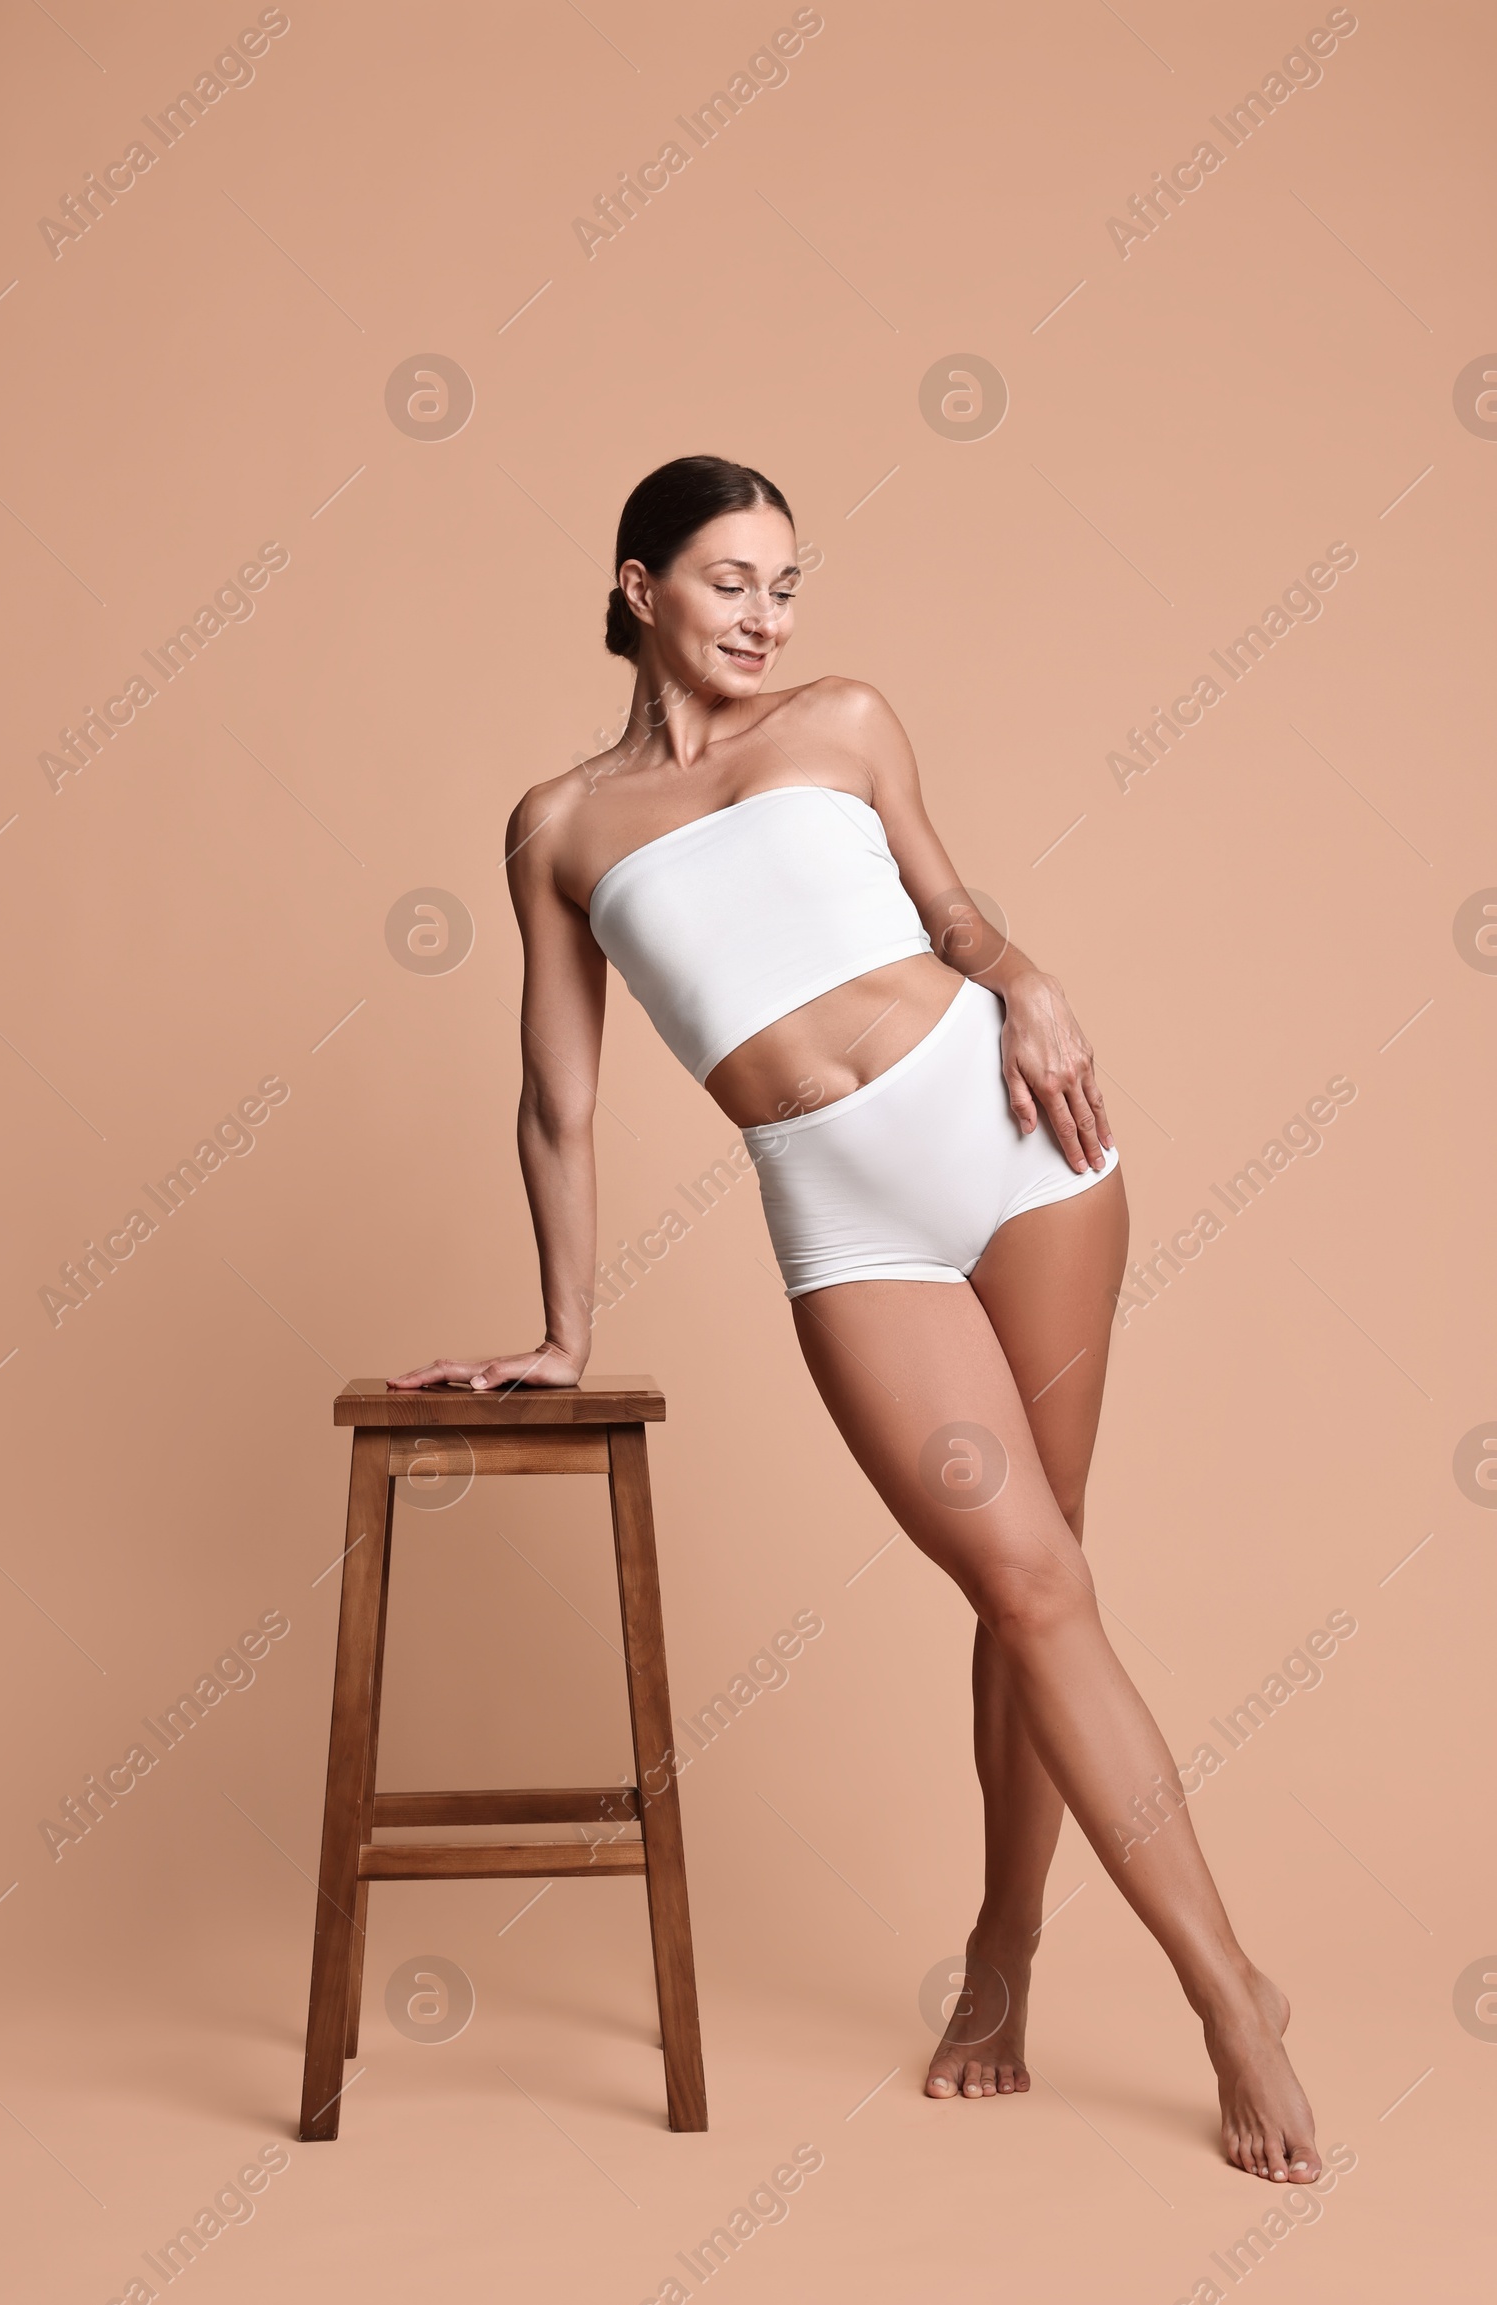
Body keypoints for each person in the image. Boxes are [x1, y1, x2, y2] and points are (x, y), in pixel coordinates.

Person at [391, 455, 1320, 2181]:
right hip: (843, 1218)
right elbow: (558, 1104)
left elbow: (952, 909)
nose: (766, 614)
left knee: (1049, 1582)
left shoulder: (844, 721)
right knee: (1027, 1581)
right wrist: (561, 1329)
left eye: (787, 583)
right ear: (637, 584)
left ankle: (1108, 1981)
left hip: (1021, 1143)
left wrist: (1029, 979)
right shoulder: (560, 827)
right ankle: (1203, 1982)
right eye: (732, 579)